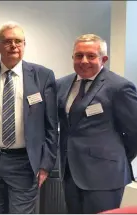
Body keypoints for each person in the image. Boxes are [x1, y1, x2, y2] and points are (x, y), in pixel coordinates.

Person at [0, 21, 58, 213]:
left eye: (18, 41)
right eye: (7, 41)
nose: (13, 46)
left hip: (25, 162)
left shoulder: (43, 76)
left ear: (24, 45)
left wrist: (46, 164)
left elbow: (51, 125)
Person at [56, 34, 137, 214]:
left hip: (105, 175)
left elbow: (134, 133)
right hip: (70, 172)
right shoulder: (61, 85)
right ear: (73, 58)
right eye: (79, 55)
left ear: (104, 59)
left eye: (91, 56)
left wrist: (114, 157)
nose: (84, 61)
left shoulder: (119, 87)